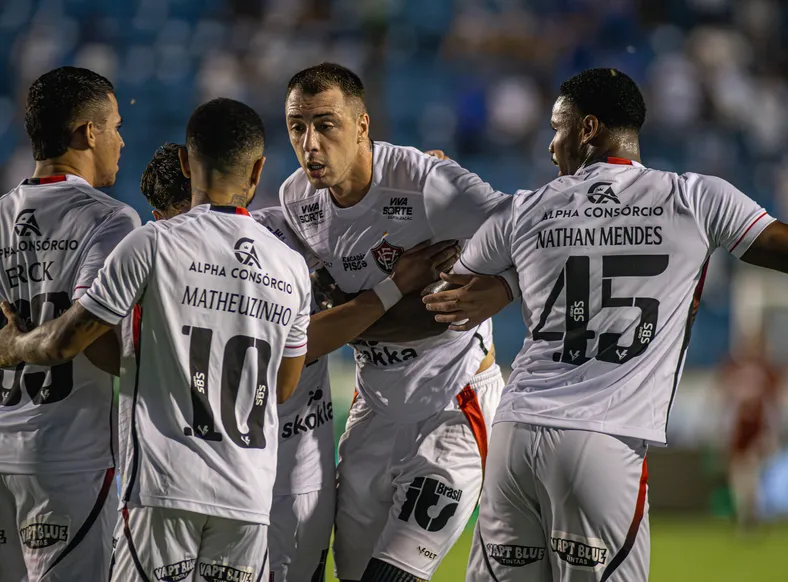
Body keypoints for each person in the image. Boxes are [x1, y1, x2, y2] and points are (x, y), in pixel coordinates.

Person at [422, 68, 788, 582]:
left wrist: (504, 282)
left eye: (558, 128)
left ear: (588, 128)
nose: (552, 146)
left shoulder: (526, 208)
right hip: (602, 441)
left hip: (513, 437)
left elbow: (445, 290)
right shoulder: (696, 198)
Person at [112, 141, 459, 581]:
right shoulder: (162, 259)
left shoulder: (286, 229)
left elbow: (365, 220)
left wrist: (419, 182)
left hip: (292, 473)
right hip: (218, 474)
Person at [280, 62, 518, 582]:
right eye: (297, 126)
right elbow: (317, 316)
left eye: (326, 124)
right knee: (355, 573)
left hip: (453, 407)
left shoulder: (428, 184)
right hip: (374, 410)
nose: (310, 143)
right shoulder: (297, 198)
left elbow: (527, 231)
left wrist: (501, 289)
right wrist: (387, 301)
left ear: (363, 125)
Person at [0, 66, 139, 582]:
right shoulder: (110, 219)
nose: (122, 140)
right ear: (88, 132)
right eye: (117, 125)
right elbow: (100, 344)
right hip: (67, 460)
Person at [717, 332, 781, 530]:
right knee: (739, 479)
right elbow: (728, 410)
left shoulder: (766, 375)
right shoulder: (736, 371)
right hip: (739, 439)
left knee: (752, 479)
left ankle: (752, 517)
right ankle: (745, 517)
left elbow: (772, 411)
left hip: (756, 437)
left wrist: (770, 437)